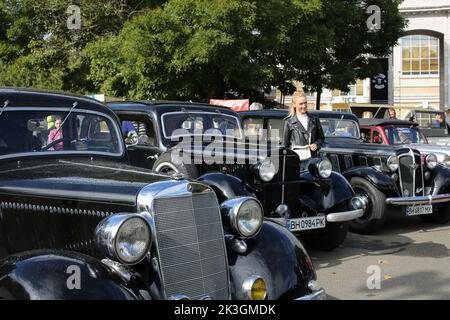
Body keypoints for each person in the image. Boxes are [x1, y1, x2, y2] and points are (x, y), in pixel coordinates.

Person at [283, 91, 325, 171]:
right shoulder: (288, 122)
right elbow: (286, 145)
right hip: (296, 161)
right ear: (294, 104)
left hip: (312, 160)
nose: (304, 106)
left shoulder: (314, 119)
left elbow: (321, 138)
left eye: (305, 103)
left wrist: (316, 144)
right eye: (301, 103)